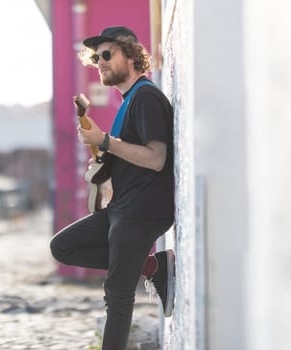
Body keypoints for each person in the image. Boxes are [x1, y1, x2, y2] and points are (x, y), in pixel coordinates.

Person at [49, 26, 176, 350]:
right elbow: (127, 156)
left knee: (117, 294)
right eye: (96, 57)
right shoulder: (129, 101)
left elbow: (157, 159)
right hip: (122, 208)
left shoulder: (146, 97)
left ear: (131, 55)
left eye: (107, 54)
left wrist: (105, 140)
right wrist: (102, 165)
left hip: (143, 209)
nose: (100, 62)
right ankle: (151, 266)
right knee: (63, 247)